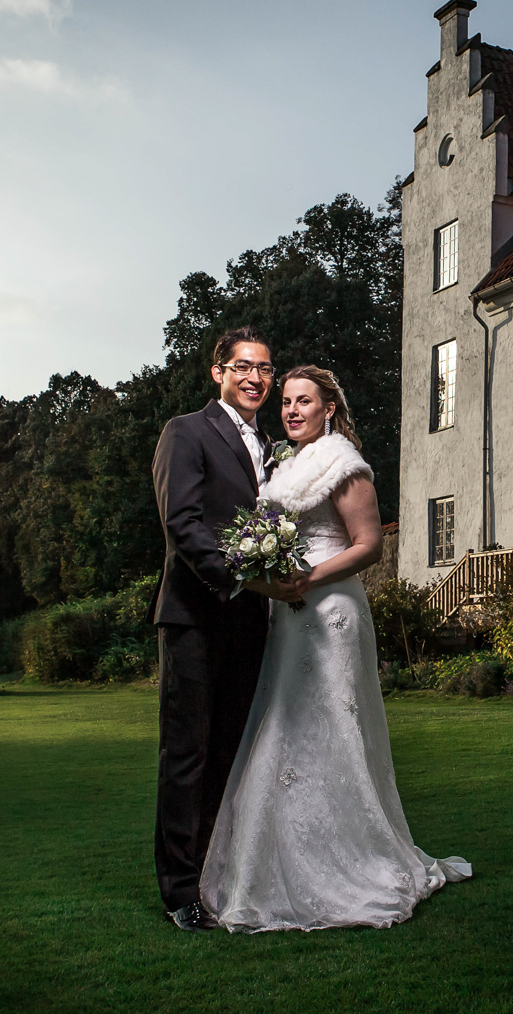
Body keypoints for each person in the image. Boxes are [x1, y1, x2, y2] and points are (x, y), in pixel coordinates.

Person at [201, 363, 471, 931]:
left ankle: (355, 859)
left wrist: (308, 578)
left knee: (333, 728)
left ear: (330, 408)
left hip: (329, 612)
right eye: (287, 402)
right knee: (283, 726)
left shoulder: (345, 465)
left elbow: (369, 546)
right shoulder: (282, 468)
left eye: (305, 401)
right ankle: (270, 864)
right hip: (288, 612)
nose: (293, 410)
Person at [150, 326, 305, 932]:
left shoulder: (269, 446)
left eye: (265, 369)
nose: (256, 378)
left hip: (250, 624)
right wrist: (248, 581)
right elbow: (183, 524)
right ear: (218, 372)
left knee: (228, 756)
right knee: (186, 756)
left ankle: (215, 875)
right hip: (195, 616)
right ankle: (180, 892)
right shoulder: (186, 432)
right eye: (243, 366)